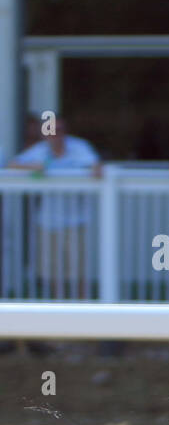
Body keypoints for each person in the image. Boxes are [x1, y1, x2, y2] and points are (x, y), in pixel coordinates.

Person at [8, 116, 102, 299]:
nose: (55, 135)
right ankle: (57, 305)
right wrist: (31, 168)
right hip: (48, 219)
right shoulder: (39, 151)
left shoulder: (79, 147)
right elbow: (13, 164)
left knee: (77, 270)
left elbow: (97, 165)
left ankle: (82, 308)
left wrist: (96, 169)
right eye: (51, 131)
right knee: (51, 269)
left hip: (75, 219)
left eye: (59, 130)